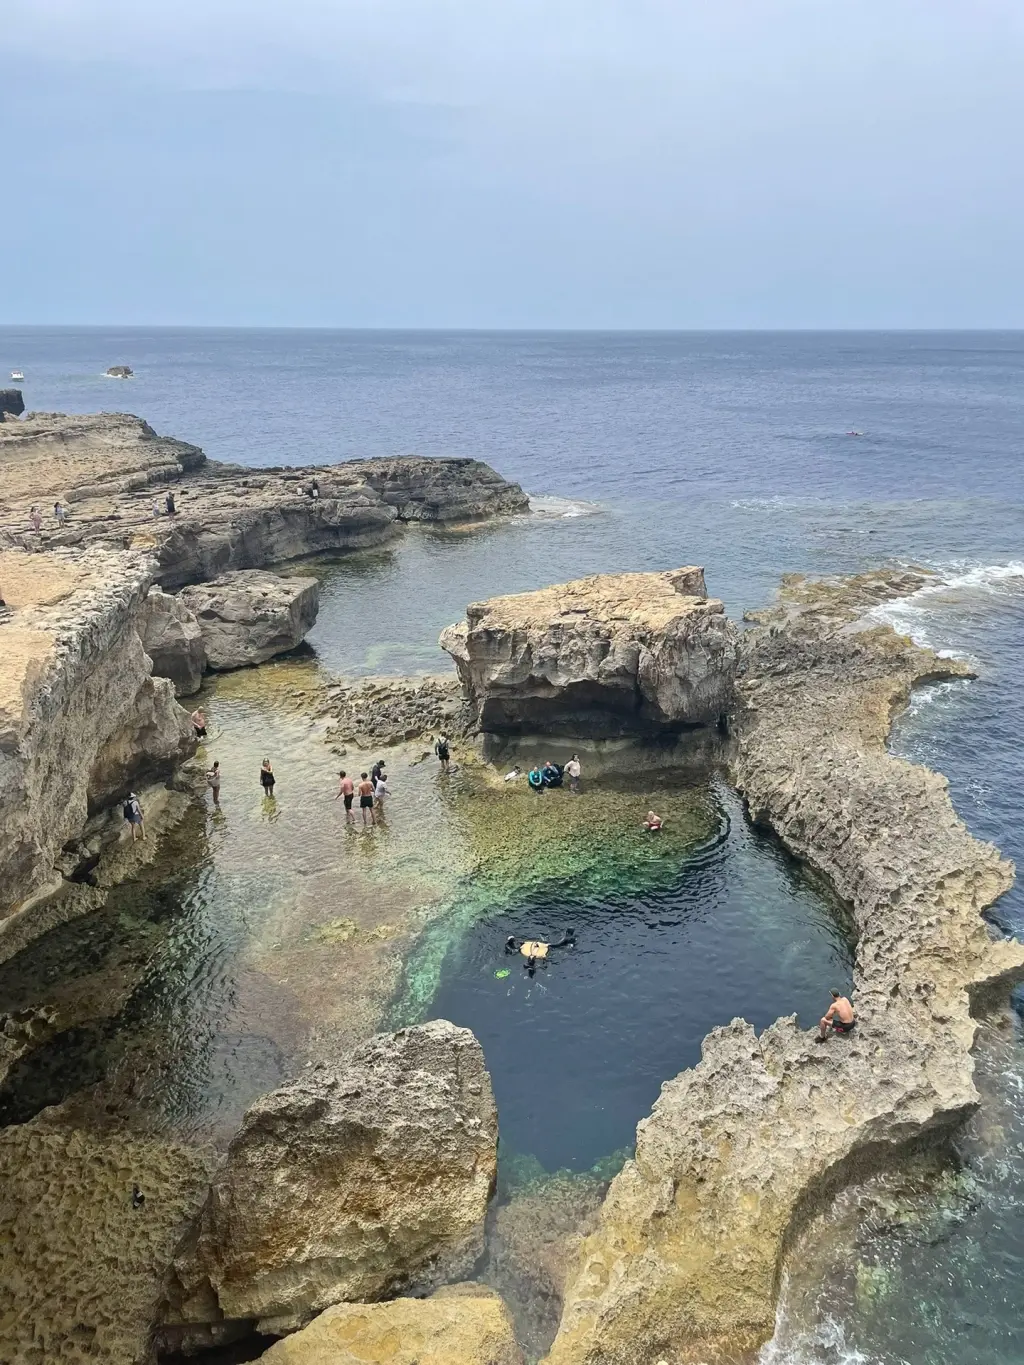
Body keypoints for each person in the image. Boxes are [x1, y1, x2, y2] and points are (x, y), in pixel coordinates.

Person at [505, 929, 575, 969]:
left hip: (535, 949)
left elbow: (557, 945)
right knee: (554, 946)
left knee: (553, 945)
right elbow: (544, 964)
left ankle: (567, 937)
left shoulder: (524, 953)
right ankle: (567, 938)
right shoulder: (572, 938)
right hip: (540, 951)